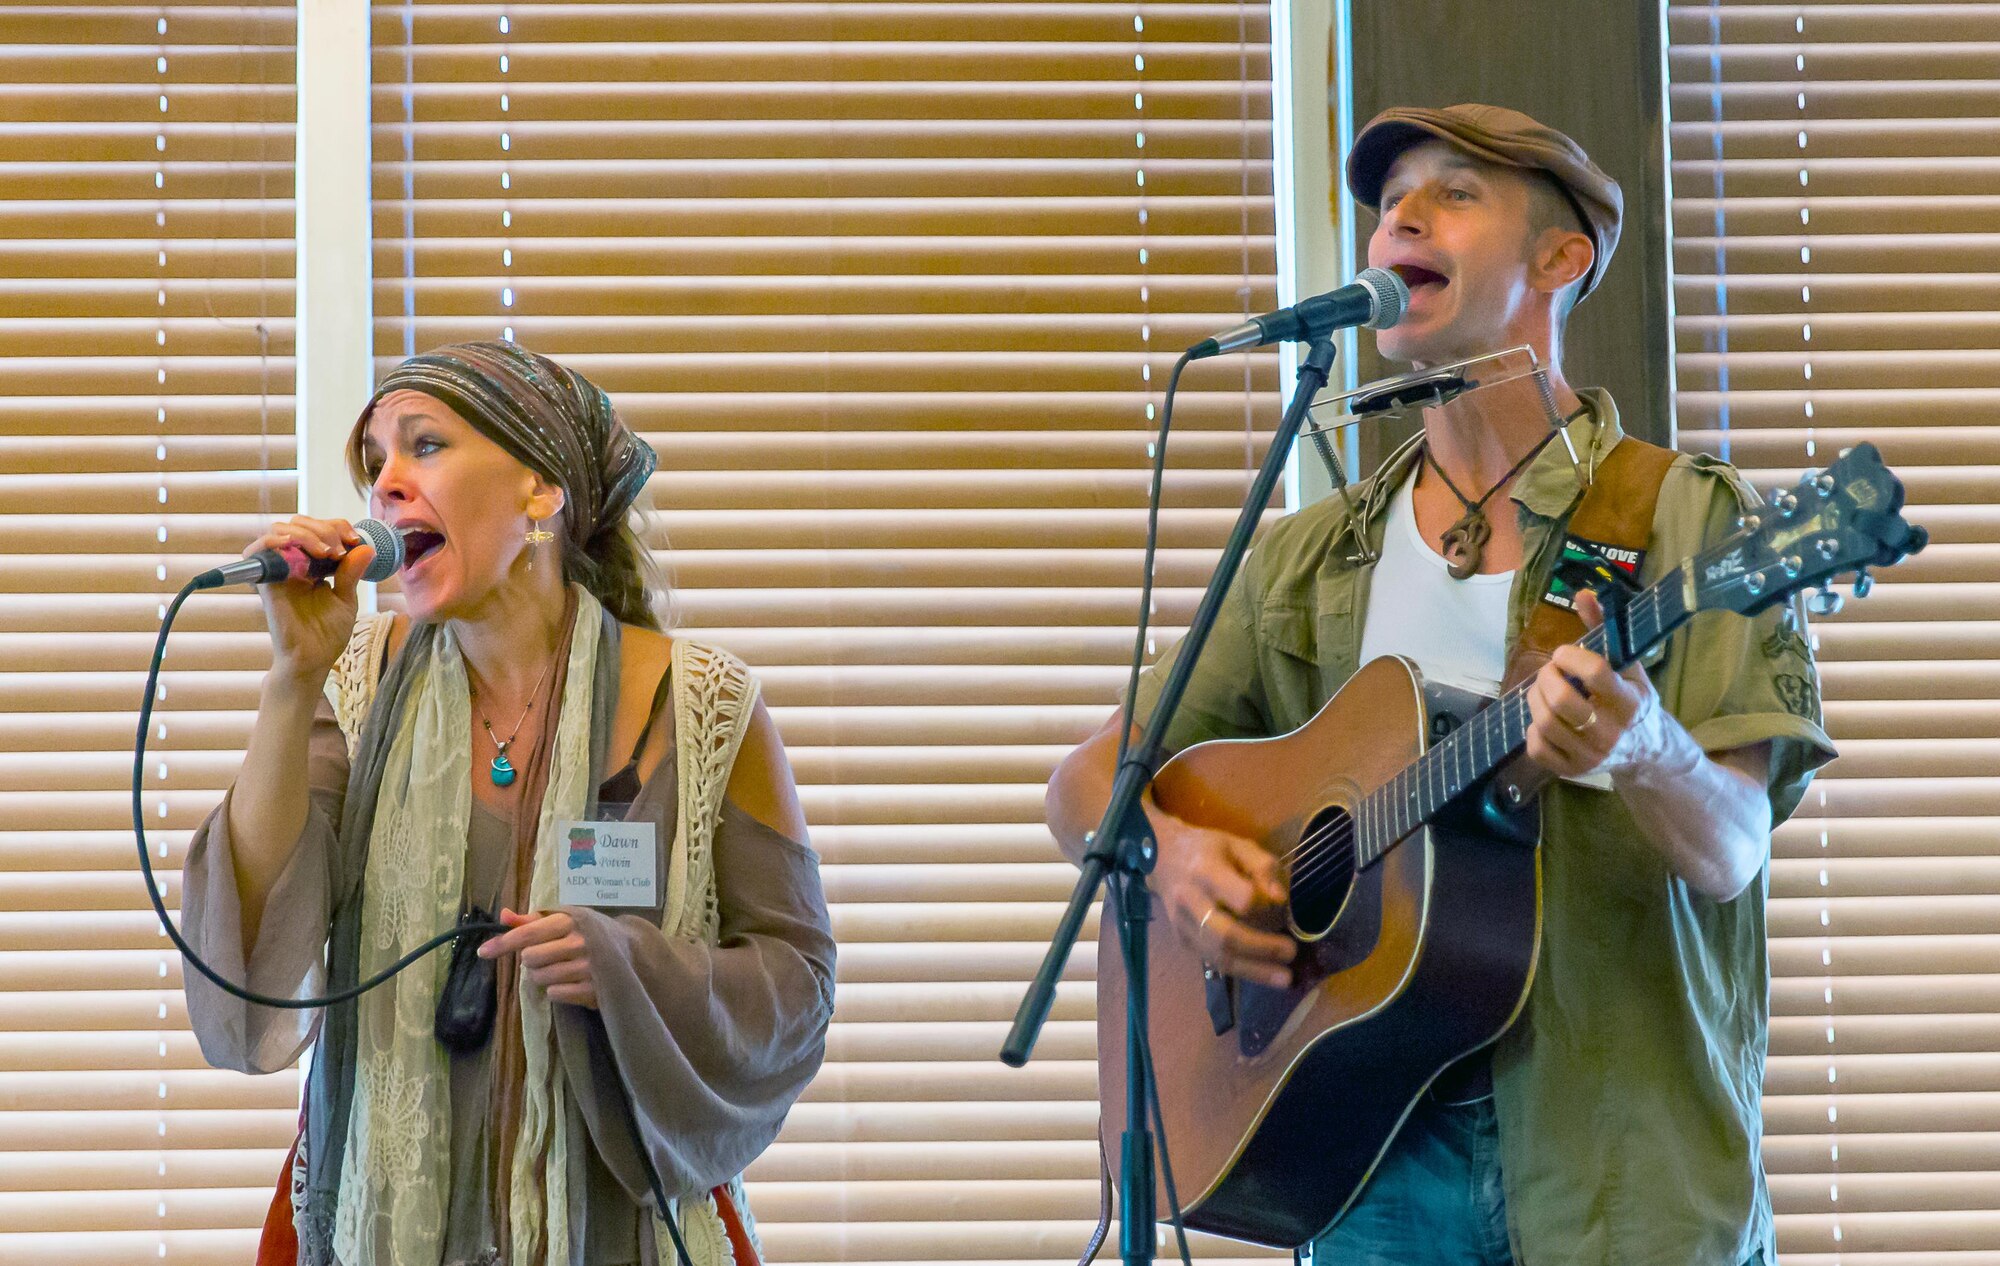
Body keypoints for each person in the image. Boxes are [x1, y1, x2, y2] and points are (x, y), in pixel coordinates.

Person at [1045, 105, 1835, 1266]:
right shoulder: (1308, 558)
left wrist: (1644, 751)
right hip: (1368, 1154)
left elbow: (1729, 851)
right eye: (1385, 204)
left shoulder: (1682, 518)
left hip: (1617, 1168)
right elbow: (1082, 786)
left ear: (1559, 262)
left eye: (1452, 194)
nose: (1399, 217)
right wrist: (1175, 864)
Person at [180, 341, 836, 1266]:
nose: (385, 487)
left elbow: (799, 988)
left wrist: (631, 966)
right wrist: (292, 680)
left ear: (541, 491)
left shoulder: (705, 704)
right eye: (376, 462)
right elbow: (244, 950)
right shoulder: (356, 684)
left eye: (425, 446)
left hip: (626, 1231)